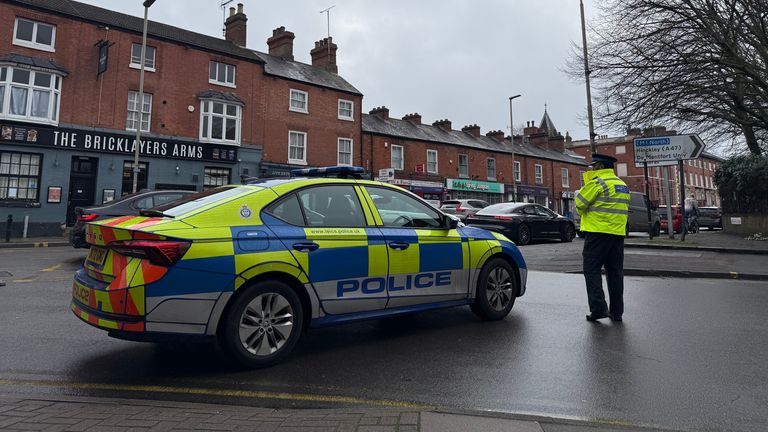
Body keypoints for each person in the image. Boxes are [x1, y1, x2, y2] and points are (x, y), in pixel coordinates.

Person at [575, 153, 631, 322]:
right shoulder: (622, 185)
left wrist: (586, 185)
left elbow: (579, 204)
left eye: (593, 166)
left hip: (598, 234)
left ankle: (599, 308)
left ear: (599, 166)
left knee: (591, 270)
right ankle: (617, 312)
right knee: (615, 273)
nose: (591, 169)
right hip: (617, 235)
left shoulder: (597, 183)